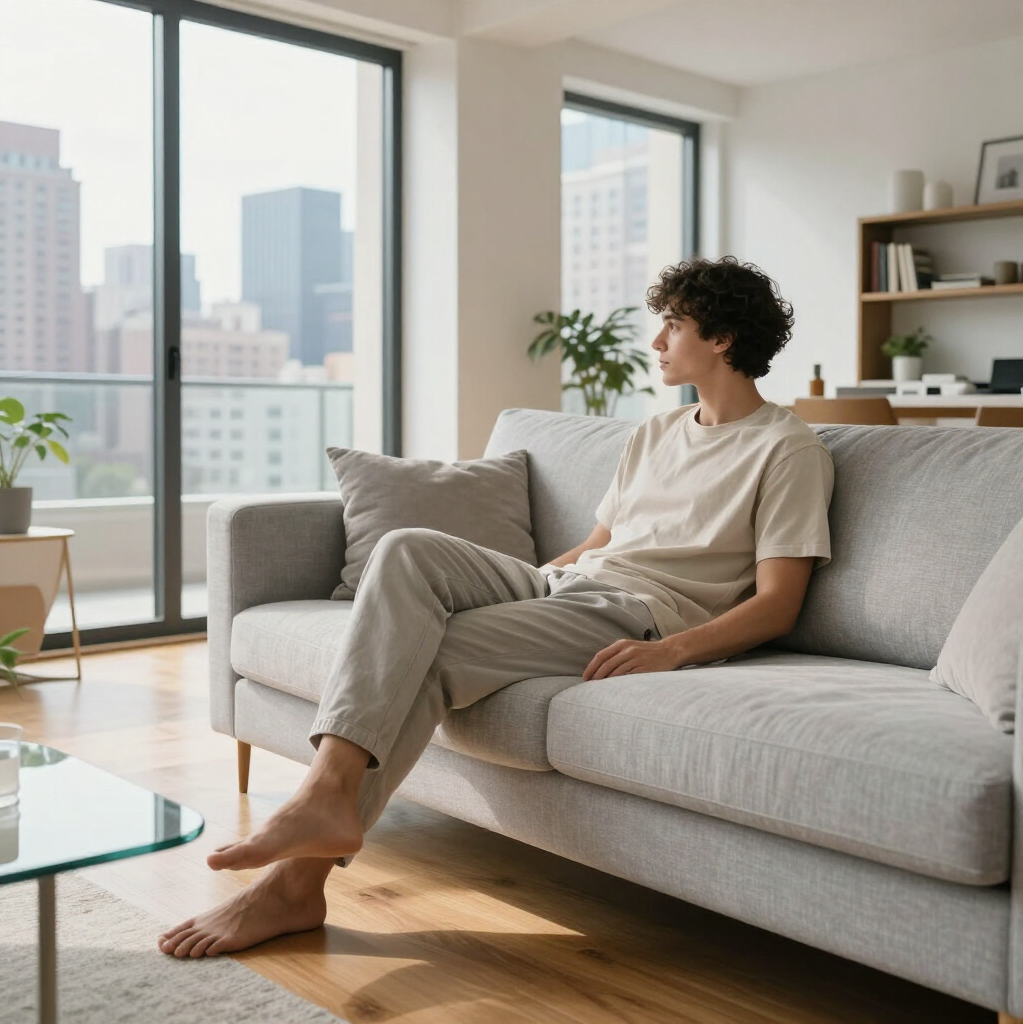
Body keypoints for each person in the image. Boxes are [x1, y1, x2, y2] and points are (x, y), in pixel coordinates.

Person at [158, 256, 834, 959]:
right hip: (567, 586)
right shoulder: (655, 433)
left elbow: (779, 604)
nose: (657, 341)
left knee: (425, 657)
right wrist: (524, 583)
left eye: (672, 325)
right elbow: (600, 543)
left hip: (639, 613)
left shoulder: (788, 450)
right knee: (406, 549)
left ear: (722, 339)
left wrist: (668, 651)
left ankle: (294, 887)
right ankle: (325, 799)